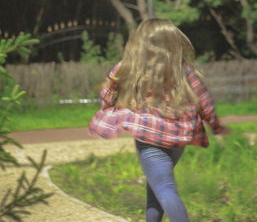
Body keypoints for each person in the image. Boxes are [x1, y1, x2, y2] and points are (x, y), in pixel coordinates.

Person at [89, 18, 230, 222]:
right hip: (178, 140)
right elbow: (205, 101)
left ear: (141, 42)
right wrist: (216, 127)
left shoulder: (129, 67)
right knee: (156, 186)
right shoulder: (183, 70)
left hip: (150, 141)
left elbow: (108, 94)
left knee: (164, 188)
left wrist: (108, 109)